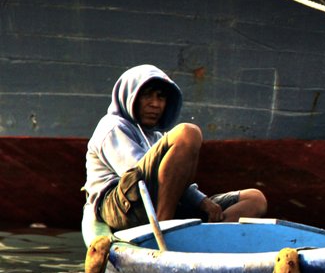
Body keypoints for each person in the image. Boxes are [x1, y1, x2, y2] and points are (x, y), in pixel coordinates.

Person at [84, 64, 267, 231]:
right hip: (123, 208)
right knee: (188, 133)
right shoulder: (112, 126)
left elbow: (170, 180)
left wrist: (204, 202)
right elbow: (136, 176)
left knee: (255, 199)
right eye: (147, 95)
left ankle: (205, 239)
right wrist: (201, 202)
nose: (155, 104)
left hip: (157, 203)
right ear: (129, 96)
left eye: (161, 97)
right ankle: (164, 229)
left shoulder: (156, 137)